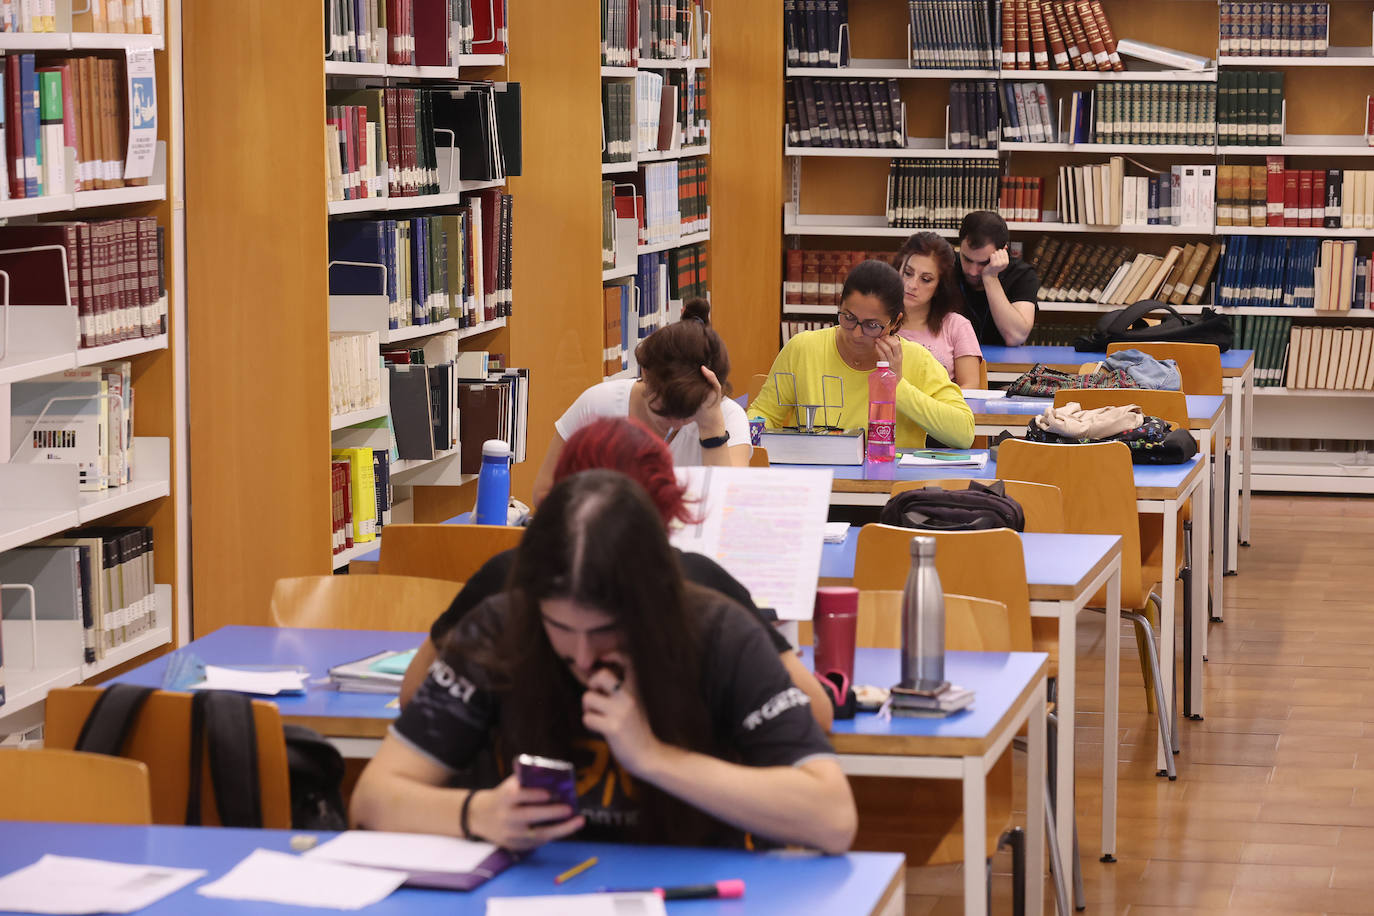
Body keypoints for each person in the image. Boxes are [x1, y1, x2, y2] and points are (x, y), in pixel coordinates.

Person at [351, 470, 858, 854]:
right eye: (561, 630)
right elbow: (372, 798)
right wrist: (477, 811)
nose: (584, 655)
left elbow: (833, 816)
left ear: (653, 601)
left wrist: (653, 757)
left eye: (605, 632)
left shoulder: (721, 636)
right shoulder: (501, 629)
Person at [399, 416, 835, 729]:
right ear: (666, 507)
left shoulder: (506, 575)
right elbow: (814, 709)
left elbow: (414, 695)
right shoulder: (700, 582)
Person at [532, 299, 749, 505]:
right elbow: (544, 494)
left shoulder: (728, 417)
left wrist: (711, 429)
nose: (676, 424)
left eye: (688, 414)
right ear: (646, 374)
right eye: (666, 410)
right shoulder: (598, 404)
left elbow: (728, 513)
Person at [748, 260, 974, 450]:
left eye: (872, 325)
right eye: (848, 317)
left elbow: (963, 434)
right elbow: (763, 413)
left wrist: (898, 386)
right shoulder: (803, 348)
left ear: (895, 322)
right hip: (817, 479)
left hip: (889, 491)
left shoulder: (917, 359)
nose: (856, 333)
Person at [894, 231, 984, 388]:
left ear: (939, 287)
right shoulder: (878, 322)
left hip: (941, 410)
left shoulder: (956, 326)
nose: (912, 285)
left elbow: (970, 389)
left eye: (926, 279)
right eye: (907, 273)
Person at [955, 210, 1039, 348]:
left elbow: (1015, 337)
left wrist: (990, 277)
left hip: (1002, 366)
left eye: (983, 263)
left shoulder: (1022, 275)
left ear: (1003, 251)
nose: (972, 271)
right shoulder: (946, 267)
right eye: (967, 259)